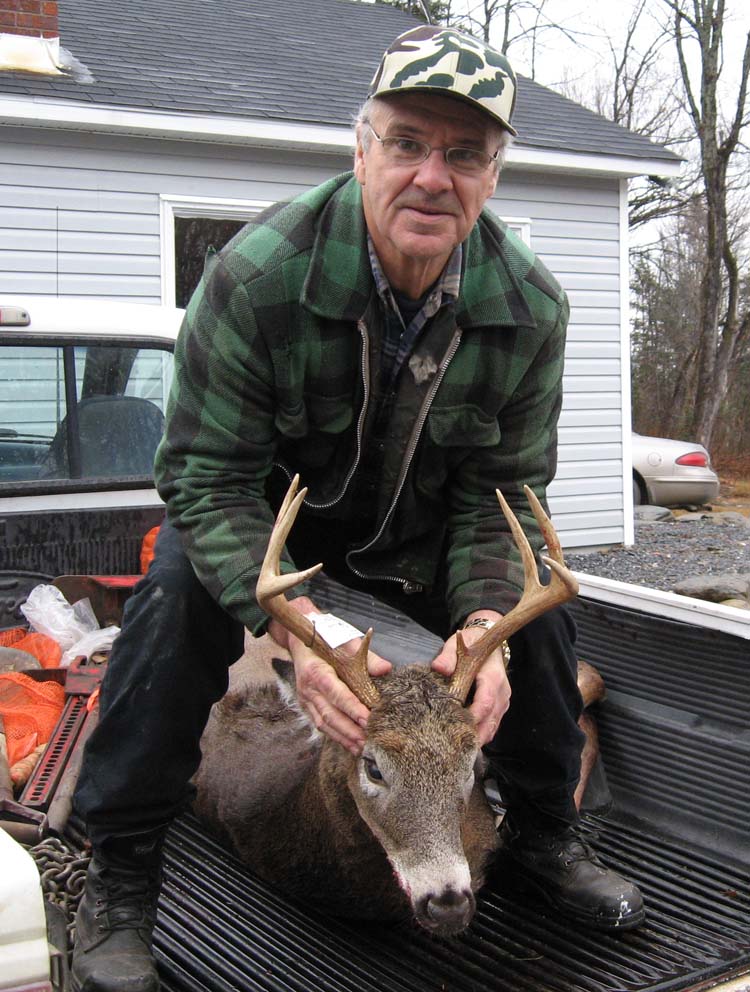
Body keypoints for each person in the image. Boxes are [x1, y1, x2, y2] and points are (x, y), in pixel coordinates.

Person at [70, 24, 644, 992]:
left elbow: (501, 494)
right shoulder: (258, 279)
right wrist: (296, 627)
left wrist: (485, 624)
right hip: (274, 546)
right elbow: (205, 479)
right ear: (361, 149)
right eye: (407, 142)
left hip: (421, 551)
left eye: (465, 154)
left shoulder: (528, 307)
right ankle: (121, 873)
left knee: (538, 617)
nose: (433, 176)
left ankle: (545, 837)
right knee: (171, 597)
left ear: (493, 175)